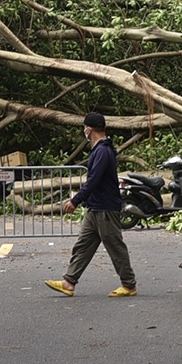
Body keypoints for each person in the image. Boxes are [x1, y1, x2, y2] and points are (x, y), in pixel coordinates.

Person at [45, 112, 137, 298]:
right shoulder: (98, 149)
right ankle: (69, 282)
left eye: (84, 127)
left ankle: (129, 285)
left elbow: (93, 180)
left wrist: (75, 200)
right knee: (83, 245)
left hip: (105, 208)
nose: (84, 130)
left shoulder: (103, 151)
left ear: (89, 129)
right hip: (94, 207)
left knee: (115, 246)